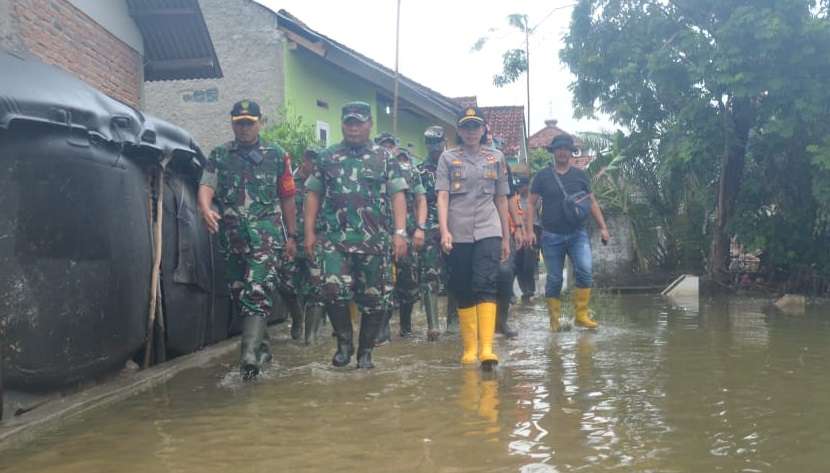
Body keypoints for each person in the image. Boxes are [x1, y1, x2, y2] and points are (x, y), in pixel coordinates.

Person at [303, 102, 408, 369]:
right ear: (342, 124)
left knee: (375, 299)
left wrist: (400, 232)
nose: (353, 128)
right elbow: (313, 194)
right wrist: (309, 233)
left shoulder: (385, 158)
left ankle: (365, 352)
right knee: (332, 290)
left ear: (369, 124)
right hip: (334, 240)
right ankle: (344, 343)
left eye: (359, 123)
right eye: (349, 122)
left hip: (374, 240)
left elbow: (398, 195)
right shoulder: (327, 157)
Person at [197, 99, 297, 380]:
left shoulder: (277, 155)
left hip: (265, 235)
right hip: (232, 237)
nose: (244, 128)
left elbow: (288, 197)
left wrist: (292, 235)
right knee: (240, 292)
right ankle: (262, 353)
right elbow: (206, 184)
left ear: (259, 123)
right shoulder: (220, 154)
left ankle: (247, 355)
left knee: (257, 289)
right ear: (232, 124)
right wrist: (205, 208)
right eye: (239, 123)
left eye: (249, 123)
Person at [437, 106, 511, 371]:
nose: (471, 132)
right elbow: (442, 196)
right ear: (459, 130)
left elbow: (501, 199)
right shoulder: (447, 158)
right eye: (466, 127)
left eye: (476, 126)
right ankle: (470, 348)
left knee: (486, 283)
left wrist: (506, 237)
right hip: (458, 229)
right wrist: (444, 230)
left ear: (483, 129)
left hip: (489, 227)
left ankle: (487, 348)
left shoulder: (496, 157)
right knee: (463, 286)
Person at [524, 134, 609, 331]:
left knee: (585, 270)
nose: (562, 152)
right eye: (558, 148)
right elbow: (530, 204)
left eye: (566, 148)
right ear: (553, 152)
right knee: (555, 278)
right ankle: (554, 321)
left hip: (577, 233)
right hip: (551, 235)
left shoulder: (580, 175)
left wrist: (603, 227)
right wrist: (529, 231)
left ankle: (581, 315)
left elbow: (591, 201)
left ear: (571, 152)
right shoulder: (542, 176)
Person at [373, 134, 429, 343]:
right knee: (381, 282)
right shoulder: (371, 169)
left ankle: (406, 326)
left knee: (409, 282)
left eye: (391, 146)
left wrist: (420, 228)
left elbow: (421, 200)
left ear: (396, 148)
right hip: (378, 234)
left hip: (407, 232)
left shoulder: (409, 171)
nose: (387, 150)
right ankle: (383, 329)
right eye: (383, 146)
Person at [287, 147, 326, 345]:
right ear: (304, 160)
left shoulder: (323, 183)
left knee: (316, 289)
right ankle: (297, 318)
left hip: (316, 241)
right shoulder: (288, 181)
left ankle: (310, 338)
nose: (315, 165)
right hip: (291, 241)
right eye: (312, 161)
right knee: (286, 285)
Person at [417, 126, 450, 338]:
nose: (434, 147)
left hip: (455, 225)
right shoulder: (419, 171)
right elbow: (416, 200)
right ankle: (433, 325)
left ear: (444, 142)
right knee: (429, 274)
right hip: (429, 226)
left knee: (456, 273)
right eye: (430, 143)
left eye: (437, 142)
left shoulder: (455, 166)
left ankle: (454, 320)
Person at [512, 174, 539, 303]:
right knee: (518, 263)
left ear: (527, 186)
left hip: (533, 231)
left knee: (529, 263)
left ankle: (531, 289)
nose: (520, 189)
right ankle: (525, 290)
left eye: (522, 186)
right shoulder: (516, 199)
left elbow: (538, 215)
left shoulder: (535, 199)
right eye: (519, 186)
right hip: (519, 233)